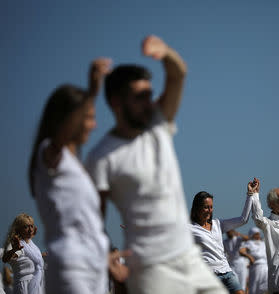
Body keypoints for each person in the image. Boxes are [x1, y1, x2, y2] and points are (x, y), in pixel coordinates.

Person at [85, 35, 226, 294]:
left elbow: (178, 74)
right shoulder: (101, 157)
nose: (150, 102)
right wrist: (106, 261)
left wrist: (166, 52)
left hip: (191, 260)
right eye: (140, 96)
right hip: (152, 270)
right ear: (116, 101)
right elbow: (92, 220)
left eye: (150, 94)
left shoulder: (158, 125)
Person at [28, 58, 128, 294]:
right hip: (72, 268)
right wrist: (92, 93)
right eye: (88, 117)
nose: (93, 125)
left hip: (94, 269)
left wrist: (109, 257)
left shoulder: (75, 167)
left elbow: (87, 221)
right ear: (65, 119)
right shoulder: (48, 155)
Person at [189, 183, 254, 294]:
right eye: (206, 207)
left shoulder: (218, 224)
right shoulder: (190, 228)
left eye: (211, 207)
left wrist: (250, 194)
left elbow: (243, 219)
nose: (209, 210)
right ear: (197, 208)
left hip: (227, 272)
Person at [2, 214, 44, 294]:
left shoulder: (31, 244)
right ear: (18, 229)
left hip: (36, 284)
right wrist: (14, 250)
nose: (30, 229)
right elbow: (5, 258)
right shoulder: (17, 245)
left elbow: (31, 257)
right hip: (24, 286)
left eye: (32, 226)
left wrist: (42, 255)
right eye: (26, 227)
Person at [239, 227, 268, 294]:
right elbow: (241, 251)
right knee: (255, 286)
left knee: (266, 286)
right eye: (256, 234)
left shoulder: (262, 243)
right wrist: (249, 257)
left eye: (258, 234)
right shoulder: (249, 243)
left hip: (266, 267)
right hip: (256, 267)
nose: (258, 236)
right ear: (252, 234)